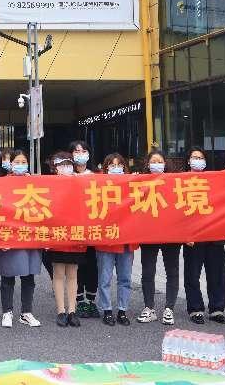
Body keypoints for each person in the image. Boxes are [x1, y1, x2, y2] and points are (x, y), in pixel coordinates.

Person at [183, 147, 225, 325]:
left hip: (214, 235)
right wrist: (184, 234)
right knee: (192, 275)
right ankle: (195, 309)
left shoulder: (214, 179)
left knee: (216, 274)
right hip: (192, 237)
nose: (198, 160)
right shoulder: (180, 180)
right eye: (194, 157)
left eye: (201, 157)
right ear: (188, 160)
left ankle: (217, 309)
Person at [0, 150, 43, 328]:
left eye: (24, 162)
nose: (20, 165)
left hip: (30, 235)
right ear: (10, 164)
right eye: (17, 162)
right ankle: (7, 312)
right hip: (9, 234)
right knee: (8, 275)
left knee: (28, 276)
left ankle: (26, 312)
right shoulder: (1, 183)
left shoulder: (35, 183)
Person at [137, 150, 180, 325]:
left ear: (165, 163)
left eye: (160, 161)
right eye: (153, 161)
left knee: (172, 271)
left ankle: (169, 308)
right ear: (147, 164)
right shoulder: (140, 181)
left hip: (171, 233)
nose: (157, 164)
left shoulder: (174, 181)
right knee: (148, 271)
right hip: (149, 233)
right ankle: (149, 307)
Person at [96, 153, 136, 327]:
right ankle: (106, 310)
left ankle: (122, 310)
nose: (116, 168)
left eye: (119, 165)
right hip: (106, 239)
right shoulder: (98, 185)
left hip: (126, 240)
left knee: (125, 278)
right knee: (105, 278)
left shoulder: (132, 184)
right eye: (112, 165)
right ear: (105, 168)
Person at [46, 151, 85, 328]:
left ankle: (72, 310)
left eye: (68, 165)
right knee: (58, 272)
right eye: (62, 165)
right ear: (55, 168)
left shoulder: (80, 183)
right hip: (57, 232)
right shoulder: (49, 184)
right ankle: (61, 310)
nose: (66, 168)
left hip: (75, 232)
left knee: (73, 273)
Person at [70, 140, 99, 319]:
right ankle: (80, 300)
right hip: (73, 228)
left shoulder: (96, 176)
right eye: (76, 151)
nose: (80, 154)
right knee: (77, 265)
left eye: (83, 151)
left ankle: (91, 301)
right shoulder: (66, 176)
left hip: (92, 228)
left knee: (92, 265)